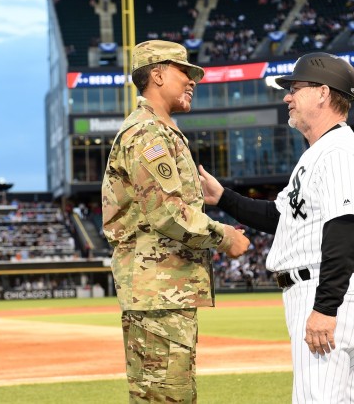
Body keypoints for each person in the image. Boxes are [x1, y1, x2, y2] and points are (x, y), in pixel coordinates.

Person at [199, 52, 354, 403]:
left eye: (295, 88)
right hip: (321, 287)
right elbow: (280, 217)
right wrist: (223, 198)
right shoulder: (319, 152)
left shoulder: (339, 152)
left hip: (323, 288)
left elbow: (344, 230)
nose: (287, 97)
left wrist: (325, 307)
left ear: (323, 93)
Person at [101, 40, 250, 403]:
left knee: (161, 396)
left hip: (161, 291)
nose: (192, 80)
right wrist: (225, 236)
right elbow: (167, 213)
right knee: (169, 397)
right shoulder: (147, 132)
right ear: (157, 74)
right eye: (185, 71)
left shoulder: (159, 129)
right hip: (159, 293)